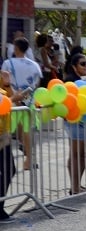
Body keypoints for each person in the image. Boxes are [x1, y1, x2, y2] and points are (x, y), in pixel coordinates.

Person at [1, 37, 42, 171]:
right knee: (27, 130)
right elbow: (37, 83)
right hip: (28, 102)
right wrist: (26, 95)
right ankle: (29, 159)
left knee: (7, 131)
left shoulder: (7, 63)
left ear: (16, 48)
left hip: (11, 102)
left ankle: (9, 159)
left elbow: (3, 81)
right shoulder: (34, 65)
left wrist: (15, 96)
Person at [63, 53, 86, 195]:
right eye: (83, 63)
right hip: (75, 121)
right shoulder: (70, 82)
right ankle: (74, 186)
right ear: (74, 67)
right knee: (76, 154)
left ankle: (77, 184)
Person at [0, 83, 29, 223]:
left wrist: (8, 87)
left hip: (3, 136)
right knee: (8, 169)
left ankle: (0, 208)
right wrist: (13, 98)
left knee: (8, 169)